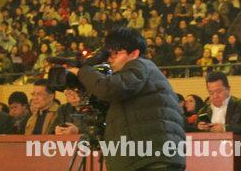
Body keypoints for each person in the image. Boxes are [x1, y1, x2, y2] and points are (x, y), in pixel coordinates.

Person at [69, 27, 186, 170]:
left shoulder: (140, 65)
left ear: (134, 53)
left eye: (115, 53)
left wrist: (83, 71)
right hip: (149, 157)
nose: (110, 59)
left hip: (150, 158)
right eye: (109, 54)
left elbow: (108, 89)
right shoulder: (139, 76)